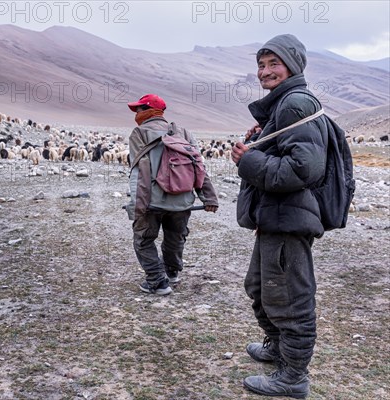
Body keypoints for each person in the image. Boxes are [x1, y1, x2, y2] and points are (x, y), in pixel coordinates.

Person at [231, 34, 328, 398]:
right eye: (261, 64)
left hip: (289, 219)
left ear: (293, 65)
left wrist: (249, 160)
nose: (265, 71)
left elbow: (305, 170)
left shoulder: (294, 105)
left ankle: (293, 377)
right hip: (275, 217)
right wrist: (263, 140)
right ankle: (276, 348)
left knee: (289, 298)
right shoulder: (282, 107)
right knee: (260, 288)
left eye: (274, 63)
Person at [126, 94, 218, 295]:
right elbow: (199, 167)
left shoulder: (139, 133)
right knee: (175, 238)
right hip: (183, 200)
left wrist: (136, 204)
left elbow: (139, 170)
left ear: (148, 111)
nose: (137, 114)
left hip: (152, 200)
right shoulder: (183, 132)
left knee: (143, 239)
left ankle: (157, 282)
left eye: (139, 110)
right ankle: (172, 272)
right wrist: (209, 197)